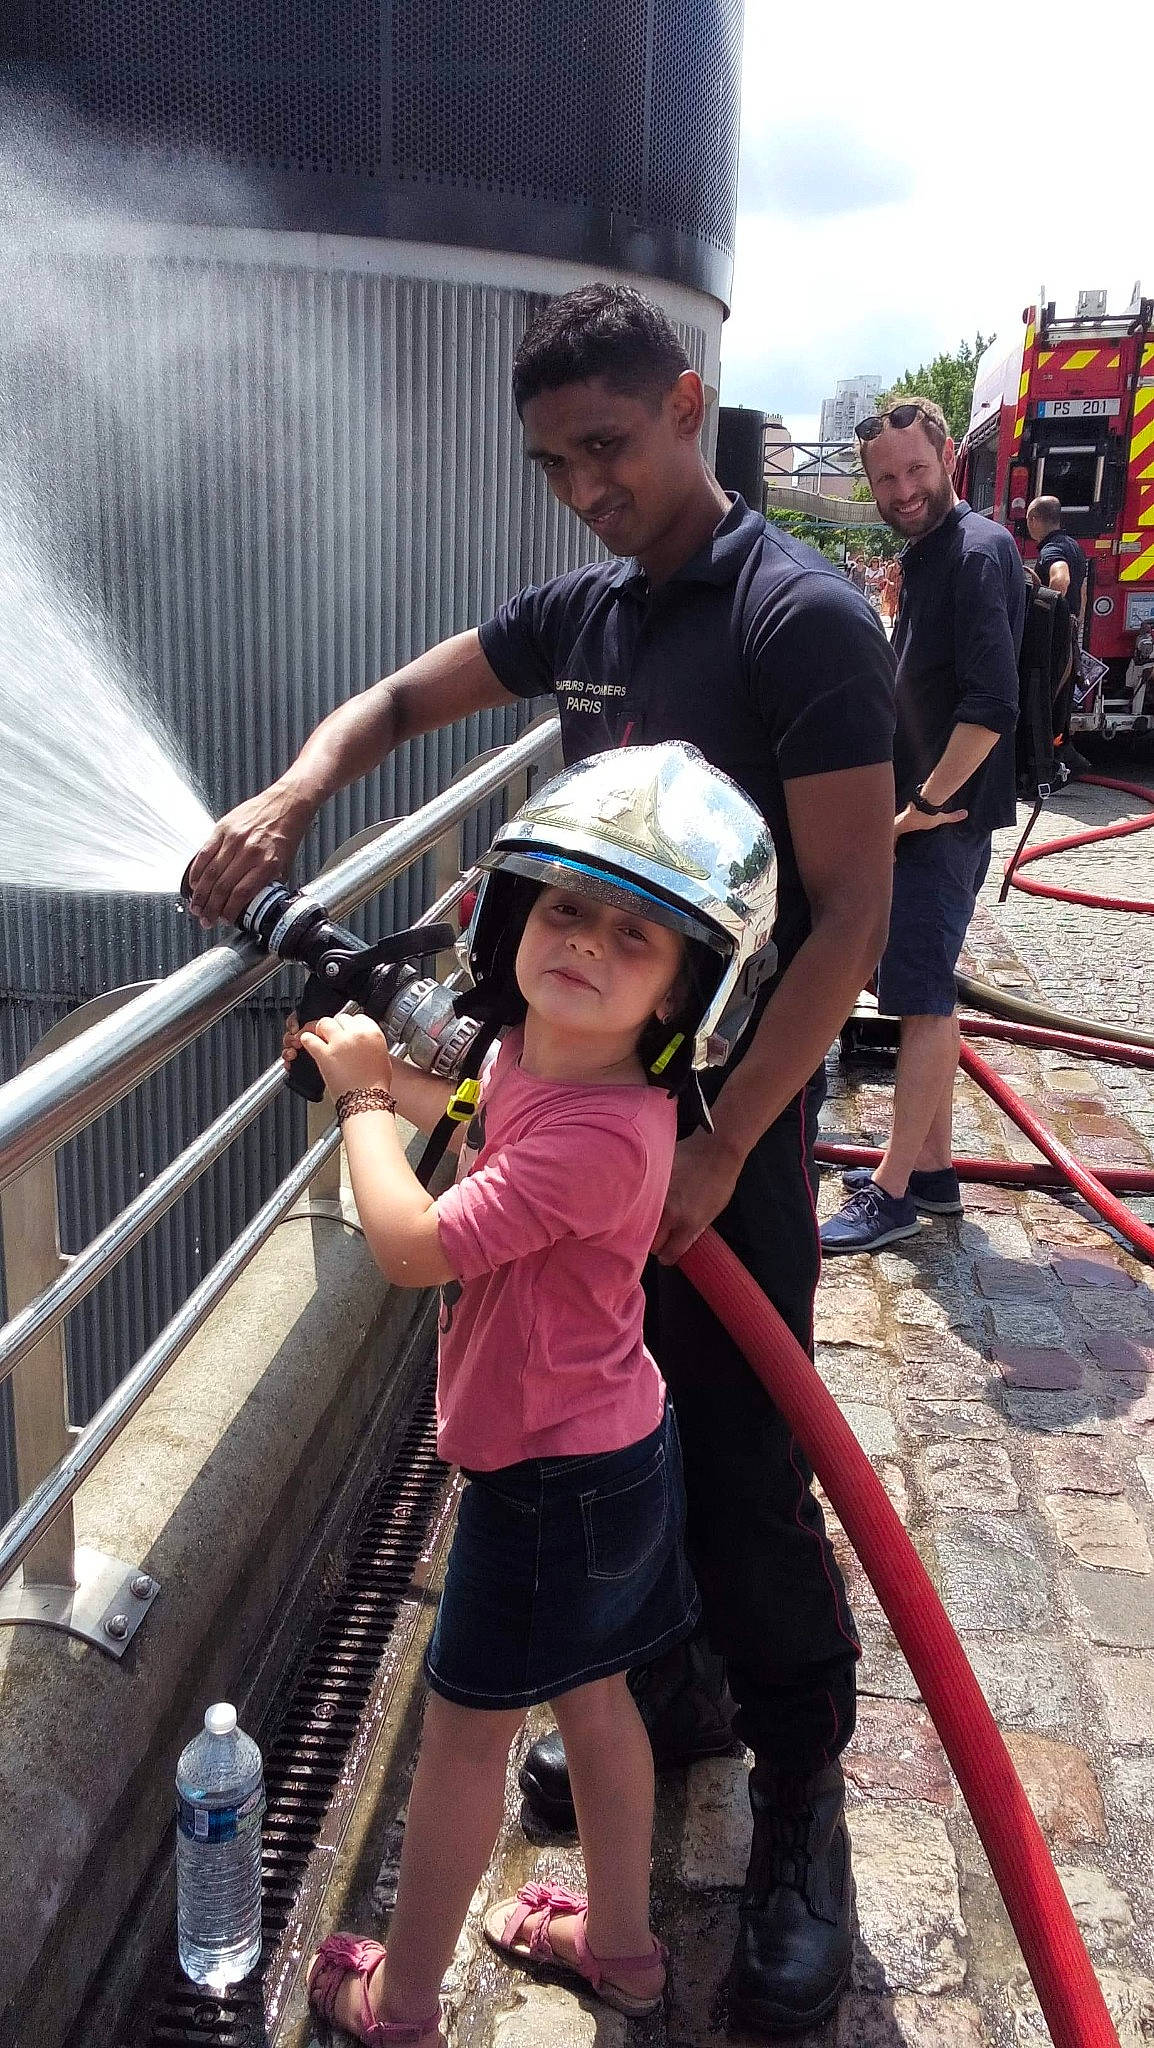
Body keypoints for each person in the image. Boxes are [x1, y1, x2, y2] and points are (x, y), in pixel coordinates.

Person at [187, 283, 897, 2033]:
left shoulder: (796, 622)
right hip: (570, 1117)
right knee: (612, 1447)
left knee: (732, 1456)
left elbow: (848, 922)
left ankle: (800, 1800)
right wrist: (294, 791)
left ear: (682, 403)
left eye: (607, 448)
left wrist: (724, 1149)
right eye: (552, 465)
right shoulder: (582, 613)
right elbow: (393, 700)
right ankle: (661, 1700)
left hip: (713, 1137)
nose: (583, 488)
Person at [299, 744, 775, 2045]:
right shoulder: (543, 1063)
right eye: (564, 909)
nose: (584, 946)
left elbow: (410, 1245)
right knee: (599, 1696)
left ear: (688, 990)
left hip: (545, 1485)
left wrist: (351, 1106)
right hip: (617, 1445)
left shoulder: (595, 1134)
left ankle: (397, 2003)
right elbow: (462, 1101)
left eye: (633, 934)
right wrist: (380, 1069)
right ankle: (620, 1952)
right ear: (513, 917)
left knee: (464, 1741)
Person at [823, 397, 1024, 1254]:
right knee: (917, 989)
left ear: (947, 455)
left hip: (938, 823)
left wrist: (926, 807)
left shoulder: (978, 554)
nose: (903, 490)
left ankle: (896, 1194)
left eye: (915, 470)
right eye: (885, 479)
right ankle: (934, 1171)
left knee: (923, 998)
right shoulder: (933, 551)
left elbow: (991, 705)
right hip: (927, 819)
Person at [1026, 494, 1087, 643]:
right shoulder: (1073, 545)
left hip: (1053, 637)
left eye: (1027, 519)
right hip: (1068, 631)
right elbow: (1082, 590)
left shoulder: (1051, 549)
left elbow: (1061, 579)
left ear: (1034, 519)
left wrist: (1045, 618)